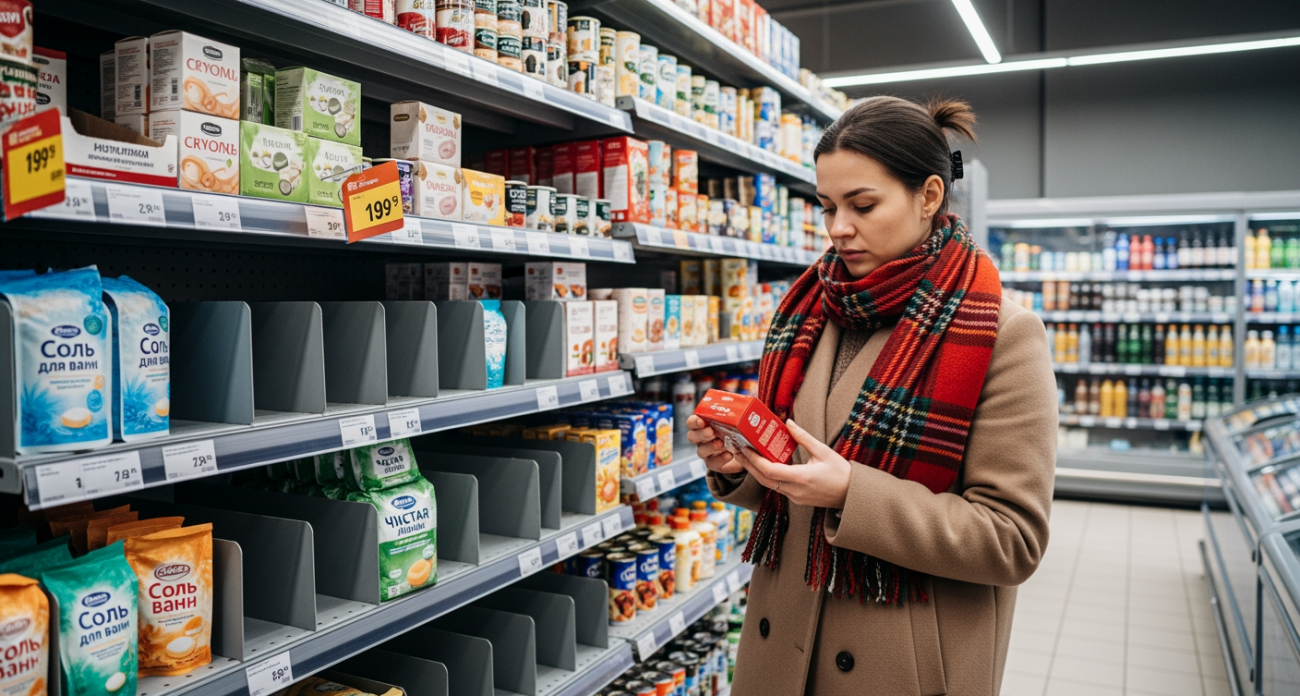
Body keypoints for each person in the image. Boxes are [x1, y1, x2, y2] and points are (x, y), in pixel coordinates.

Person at [688, 96, 1056, 695]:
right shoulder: (808, 310)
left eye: (862, 205)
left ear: (928, 196)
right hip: (781, 647)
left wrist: (852, 494)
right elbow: (795, 483)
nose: (838, 228)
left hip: (898, 663)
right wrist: (740, 466)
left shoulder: (1002, 334)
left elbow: (1011, 539)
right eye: (827, 206)